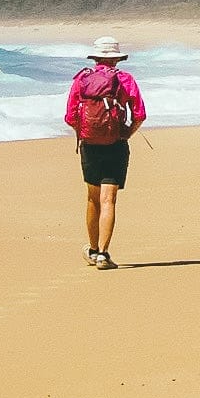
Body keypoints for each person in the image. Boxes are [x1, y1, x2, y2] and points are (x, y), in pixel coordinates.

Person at [64, 36, 146, 269]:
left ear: (96, 57)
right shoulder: (124, 79)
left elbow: (70, 117)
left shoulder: (82, 79)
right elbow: (139, 114)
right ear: (117, 58)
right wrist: (126, 134)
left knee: (92, 198)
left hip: (89, 144)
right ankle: (103, 254)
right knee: (108, 199)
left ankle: (92, 250)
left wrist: (85, 132)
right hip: (115, 144)